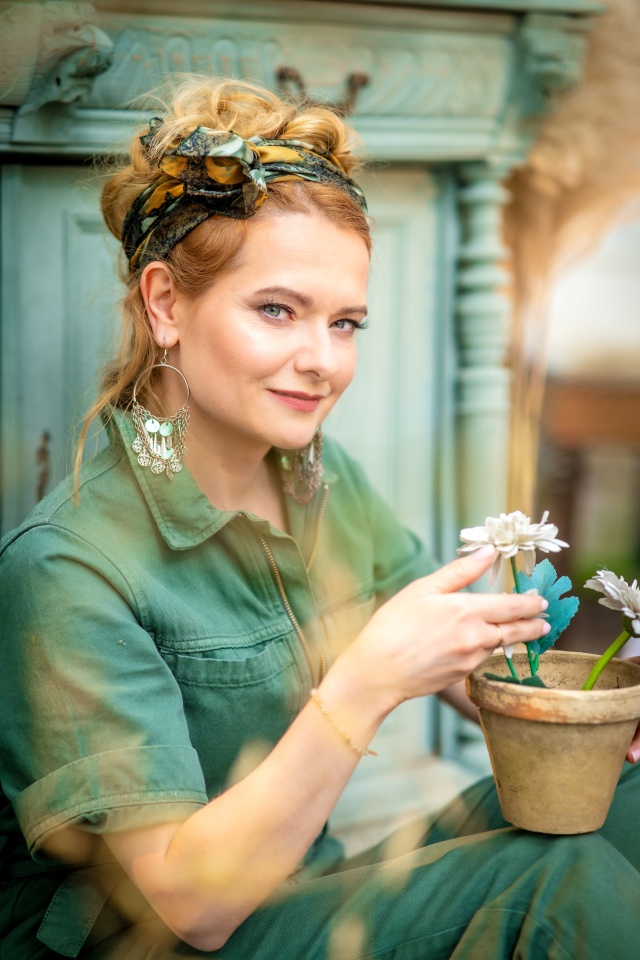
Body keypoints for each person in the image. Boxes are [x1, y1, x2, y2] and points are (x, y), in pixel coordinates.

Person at [1, 77, 640, 960]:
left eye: (346, 323)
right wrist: (367, 683)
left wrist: (588, 708)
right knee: (554, 886)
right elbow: (189, 906)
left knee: (621, 795)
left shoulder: (313, 474)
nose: (322, 362)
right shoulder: (68, 565)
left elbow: (456, 654)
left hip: (305, 890)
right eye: (277, 311)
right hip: (167, 937)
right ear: (165, 304)